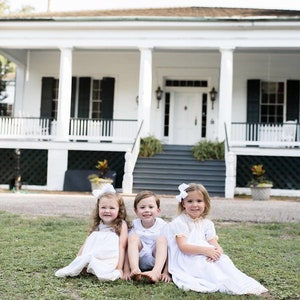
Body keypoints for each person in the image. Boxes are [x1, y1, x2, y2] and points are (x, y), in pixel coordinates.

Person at [164, 182, 268, 295]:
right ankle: (225, 284)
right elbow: (183, 247)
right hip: (188, 256)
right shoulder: (180, 222)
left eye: (199, 201)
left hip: (206, 253)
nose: (195, 205)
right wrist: (205, 251)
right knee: (205, 265)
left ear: (205, 203)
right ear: (183, 204)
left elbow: (214, 243)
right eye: (190, 201)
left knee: (224, 261)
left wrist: (217, 251)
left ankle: (239, 284)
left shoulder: (207, 224)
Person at [55, 184, 129, 281]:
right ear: (98, 208)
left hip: (109, 256)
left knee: (105, 270)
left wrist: (119, 268)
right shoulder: (99, 224)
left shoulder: (121, 224)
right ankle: (86, 265)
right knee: (93, 237)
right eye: (103, 207)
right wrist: (77, 260)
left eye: (112, 208)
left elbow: (122, 246)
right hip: (95, 253)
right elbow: (86, 244)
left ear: (119, 210)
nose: (107, 211)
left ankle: (98, 267)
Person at [125, 190, 171, 283]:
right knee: (133, 237)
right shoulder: (133, 225)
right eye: (142, 207)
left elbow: (170, 250)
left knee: (161, 239)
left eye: (151, 207)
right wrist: (126, 270)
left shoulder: (163, 225)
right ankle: (135, 270)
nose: (147, 210)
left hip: (156, 258)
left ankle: (156, 272)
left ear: (158, 211)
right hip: (138, 258)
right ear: (136, 211)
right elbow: (127, 248)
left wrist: (166, 272)